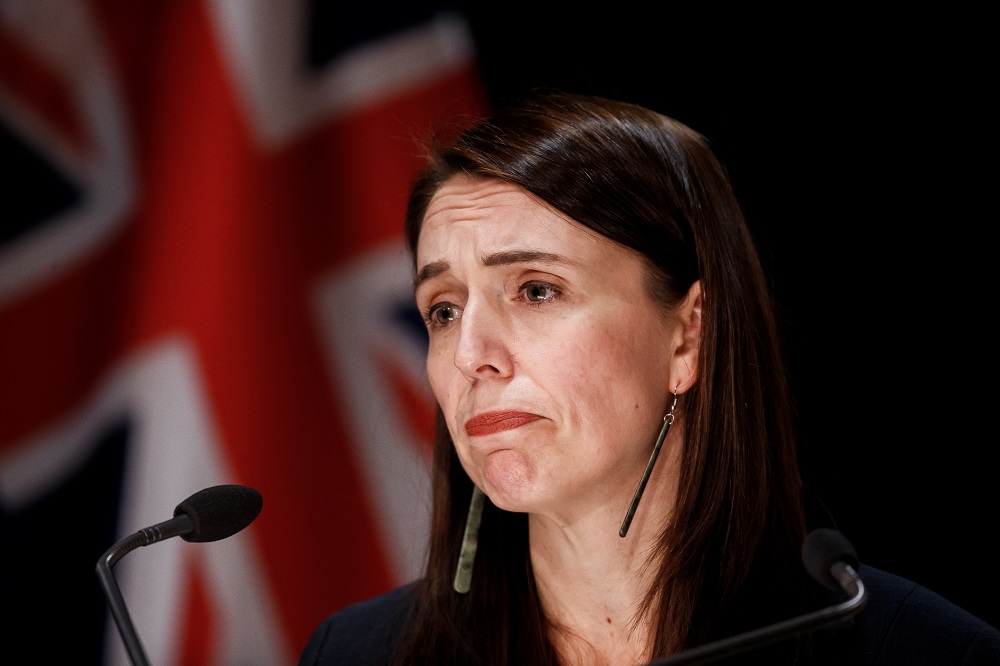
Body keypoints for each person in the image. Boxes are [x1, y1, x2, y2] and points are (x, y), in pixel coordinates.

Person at [299, 91, 1000, 665]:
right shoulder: (356, 655)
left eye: (536, 290)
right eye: (443, 310)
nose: (468, 355)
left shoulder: (922, 655)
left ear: (687, 334)